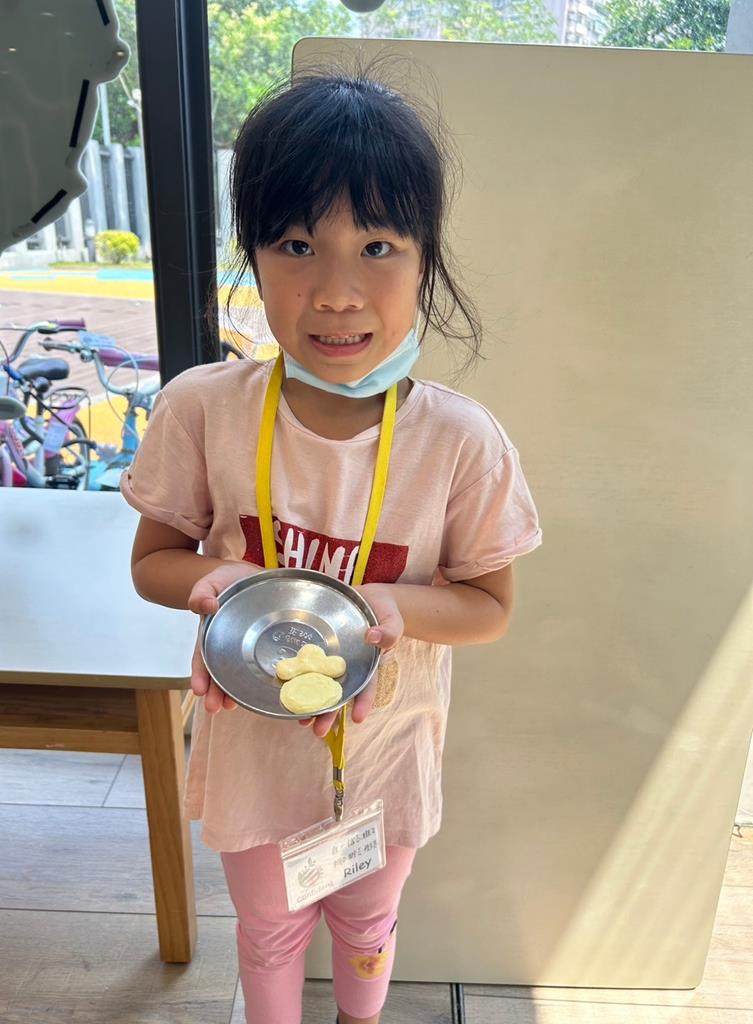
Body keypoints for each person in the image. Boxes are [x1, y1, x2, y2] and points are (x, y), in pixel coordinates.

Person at [121, 66, 542, 1024]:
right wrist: (218, 582)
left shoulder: (459, 440)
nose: (337, 293)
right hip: (252, 756)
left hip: (386, 754)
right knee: (268, 931)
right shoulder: (202, 409)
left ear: (425, 258)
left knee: (367, 923)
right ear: (253, 254)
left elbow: (487, 605)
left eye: (378, 246)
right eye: (297, 245)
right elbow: (153, 563)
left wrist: (389, 606)